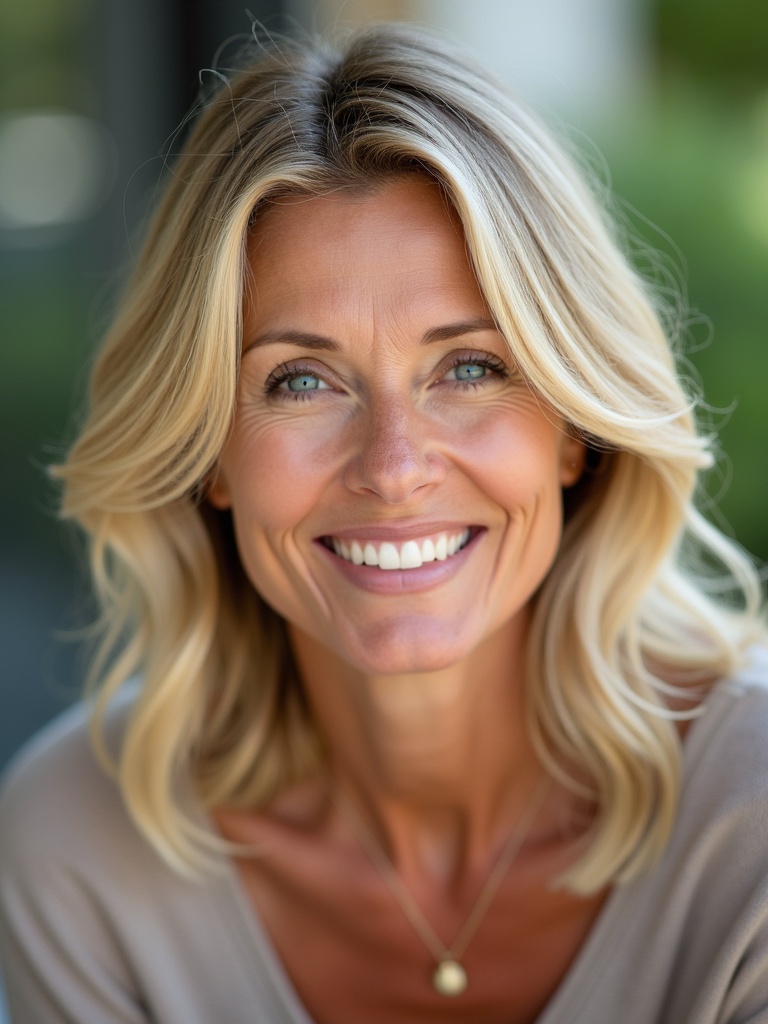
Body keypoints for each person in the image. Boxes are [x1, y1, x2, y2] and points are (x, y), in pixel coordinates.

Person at [1, 21, 766, 1024]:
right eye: (302, 380)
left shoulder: (750, 816)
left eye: (471, 368)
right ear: (210, 456)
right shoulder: (79, 849)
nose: (394, 467)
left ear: (575, 430)